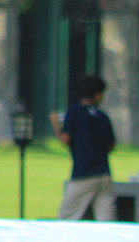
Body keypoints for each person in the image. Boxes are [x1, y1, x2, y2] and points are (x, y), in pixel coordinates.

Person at [49, 75, 116, 221]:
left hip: (83, 173)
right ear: (98, 95)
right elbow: (111, 145)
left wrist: (55, 124)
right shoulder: (103, 116)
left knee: (66, 217)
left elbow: (65, 139)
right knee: (106, 220)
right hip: (104, 173)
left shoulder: (74, 113)